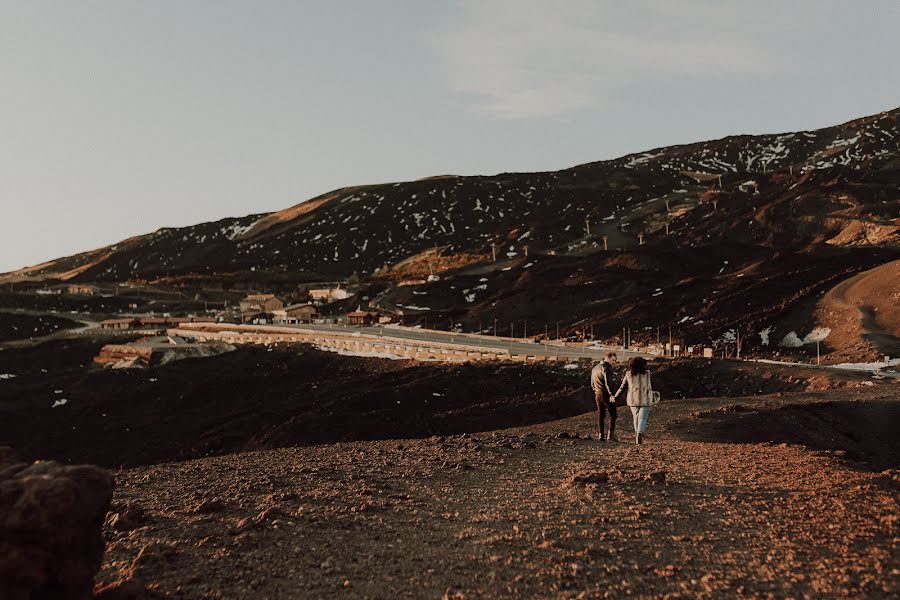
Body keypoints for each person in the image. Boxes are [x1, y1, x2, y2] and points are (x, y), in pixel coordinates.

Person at [612, 356, 655, 445]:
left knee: (636, 417)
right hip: (645, 398)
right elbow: (653, 384)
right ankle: (640, 433)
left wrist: (615, 397)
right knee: (642, 418)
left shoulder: (628, 374)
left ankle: (637, 435)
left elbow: (622, 387)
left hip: (633, 399)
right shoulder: (648, 373)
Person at [590, 352, 619, 442]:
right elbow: (608, 383)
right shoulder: (607, 368)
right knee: (613, 414)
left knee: (601, 415)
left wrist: (596, 391)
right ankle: (610, 436)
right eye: (613, 360)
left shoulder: (595, 368)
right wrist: (611, 394)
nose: (614, 362)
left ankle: (601, 435)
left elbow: (592, 384)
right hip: (606, 394)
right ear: (608, 358)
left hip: (598, 394)